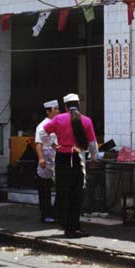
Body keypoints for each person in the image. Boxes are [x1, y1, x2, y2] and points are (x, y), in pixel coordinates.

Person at [42, 93, 98, 238]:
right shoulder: (86, 120)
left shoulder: (58, 119)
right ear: (78, 105)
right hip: (77, 158)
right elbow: (93, 144)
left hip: (61, 158)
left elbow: (43, 132)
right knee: (76, 194)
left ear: (66, 107)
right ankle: (74, 226)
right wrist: (93, 158)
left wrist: (53, 144)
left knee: (63, 192)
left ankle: (66, 226)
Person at [35, 99, 59, 224]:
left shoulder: (57, 124)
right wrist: (41, 158)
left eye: (58, 109)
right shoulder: (42, 126)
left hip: (55, 159)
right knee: (45, 189)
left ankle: (55, 213)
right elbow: (38, 143)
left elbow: (55, 143)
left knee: (57, 188)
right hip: (46, 159)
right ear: (48, 111)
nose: (58, 111)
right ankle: (45, 215)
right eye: (55, 109)